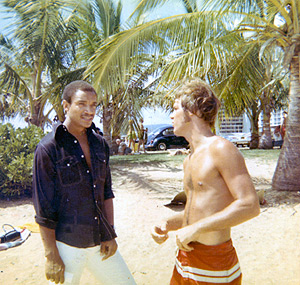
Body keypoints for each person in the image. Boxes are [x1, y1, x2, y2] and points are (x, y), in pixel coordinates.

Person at [151, 78, 260, 284]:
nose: (171, 115)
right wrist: (168, 223)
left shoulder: (221, 149)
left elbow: (250, 205)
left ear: (193, 111)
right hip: (185, 260)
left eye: (175, 109)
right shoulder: (189, 158)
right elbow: (201, 212)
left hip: (214, 263)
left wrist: (197, 229)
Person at [32, 80, 136, 285]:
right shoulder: (48, 149)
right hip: (66, 247)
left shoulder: (100, 144)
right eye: (82, 104)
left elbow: (106, 192)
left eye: (94, 104)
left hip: (100, 242)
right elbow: (43, 207)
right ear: (66, 106)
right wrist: (51, 255)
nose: (90, 110)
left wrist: (110, 233)